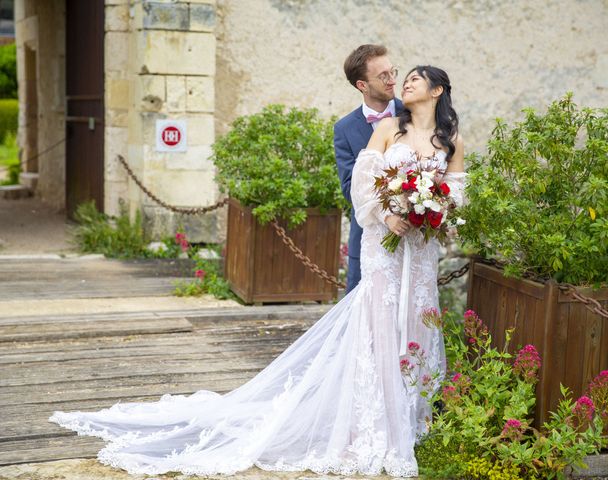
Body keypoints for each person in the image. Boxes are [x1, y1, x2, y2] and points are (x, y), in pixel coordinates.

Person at [49, 65, 466, 477]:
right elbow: (363, 182)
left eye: (414, 78)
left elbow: (457, 196)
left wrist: (432, 215)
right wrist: (388, 213)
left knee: (415, 324)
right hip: (385, 247)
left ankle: (413, 423)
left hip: (421, 250)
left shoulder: (451, 142)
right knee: (376, 328)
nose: (405, 82)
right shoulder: (389, 127)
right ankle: (370, 427)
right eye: (403, 77)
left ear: (437, 90)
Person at [334, 44, 403, 293]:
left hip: (412, 235)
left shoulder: (416, 114)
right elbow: (350, 187)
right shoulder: (344, 129)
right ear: (362, 85)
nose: (392, 80)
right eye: (383, 75)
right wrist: (387, 213)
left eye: (392, 71)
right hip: (367, 237)